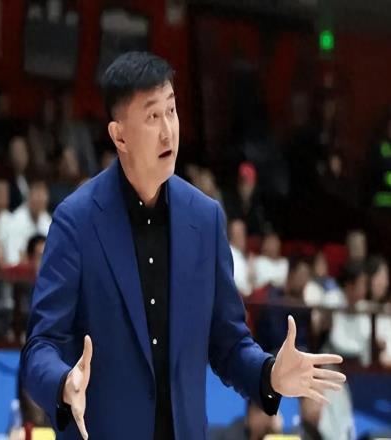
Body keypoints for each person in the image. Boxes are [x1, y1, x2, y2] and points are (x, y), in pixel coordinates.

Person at [20, 52, 346, 440]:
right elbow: (41, 345)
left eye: (171, 111)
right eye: (152, 116)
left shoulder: (205, 219)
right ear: (119, 135)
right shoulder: (76, 221)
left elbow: (228, 342)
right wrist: (63, 383)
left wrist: (270, 374)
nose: (168, 131)